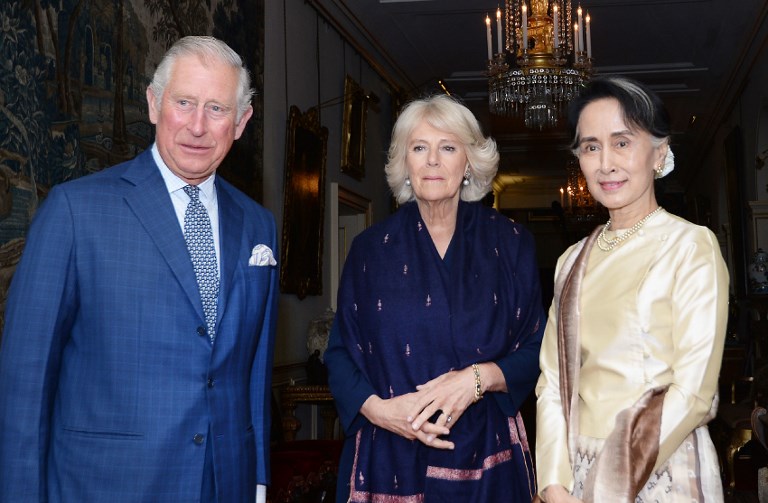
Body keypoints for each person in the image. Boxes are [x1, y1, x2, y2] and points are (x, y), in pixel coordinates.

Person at [0, 36, 279, 502]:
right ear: (153, 104)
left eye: (216, 109)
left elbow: (252, 374)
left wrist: (257, 480)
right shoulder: (74, 211)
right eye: (184, 102)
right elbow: (25, 383)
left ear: (242, 122)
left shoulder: (258, 224)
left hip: (224, 483)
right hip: (108, 485)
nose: (196, 126)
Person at [325, 94, 544, 502]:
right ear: (404, 162)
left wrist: (476, 380)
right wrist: (380, 411)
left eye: (447, 148)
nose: (432, 161)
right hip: (388, 453)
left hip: (487, 458)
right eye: (419, 148)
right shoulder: (370, 250)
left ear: (468, 162)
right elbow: (339, 353)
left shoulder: (511, 243)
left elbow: (538, 348)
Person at [535, 75, 728, 502]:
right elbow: (551, 381)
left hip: (661, 471)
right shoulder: (571, 261)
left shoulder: (690, 246)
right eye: (590, 146)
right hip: (576, 474)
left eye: (622, 142)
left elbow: (694, 392)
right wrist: (553, 484)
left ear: (659, 153)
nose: (605, 163)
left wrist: (609, 485)